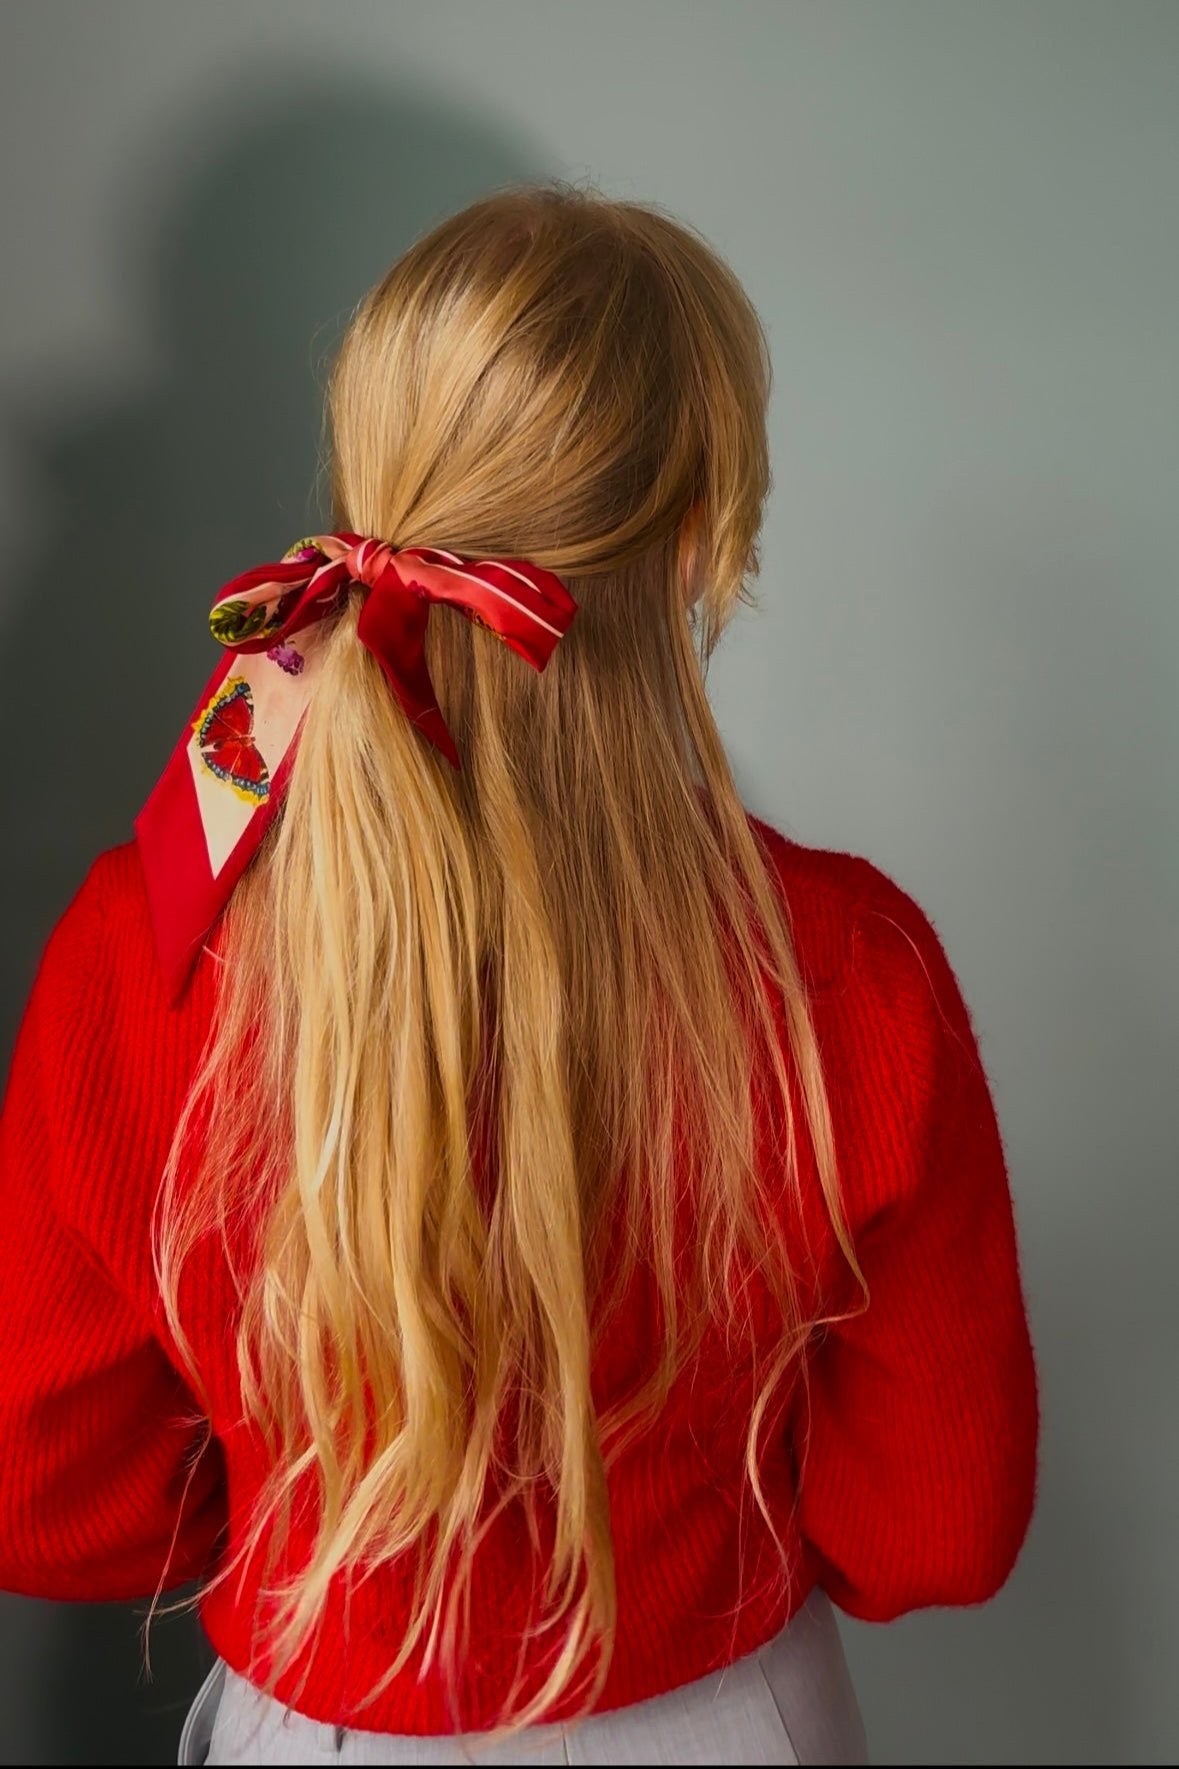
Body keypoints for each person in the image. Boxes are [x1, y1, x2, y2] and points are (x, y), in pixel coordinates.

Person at [0, 186, 1038, 1766]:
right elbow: (935, 1531)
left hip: (311, 1725)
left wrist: (322, 1535)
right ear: (700, 544)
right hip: (724, 1719)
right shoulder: (852, 969)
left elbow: (47, 1496)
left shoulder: (144, 934)